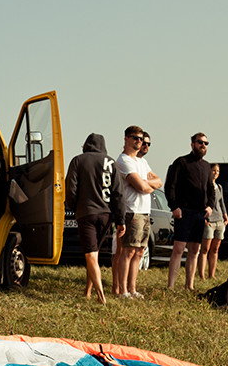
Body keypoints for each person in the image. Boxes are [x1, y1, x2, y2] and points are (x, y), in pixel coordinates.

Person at [65, 134, 125, 304]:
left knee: (90, 255)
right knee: (94, 254)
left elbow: (71, 188)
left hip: (87, 213)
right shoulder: (111, 162)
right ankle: (88, 291)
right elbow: (118, 194)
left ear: (85, 145)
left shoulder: (78, 161)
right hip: (106, 215)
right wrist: (121, 220)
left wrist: (74, 207)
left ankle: (101, 296)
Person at [112, 125, 162, 298]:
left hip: (145, 212)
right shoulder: (124, 160)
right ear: (126, 139)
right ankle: (123, 290)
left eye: (141, 139)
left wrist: (146, 184)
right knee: (128, 251)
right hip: (131, 211)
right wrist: (146, 184)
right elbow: (141, 186)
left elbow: (159, 181)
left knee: (139, 252)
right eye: (136, 138)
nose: (139, 142)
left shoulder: (142, 161)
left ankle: (132, 289)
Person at [164, 132, 215, 290]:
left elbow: (210, 189)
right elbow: (169, 186)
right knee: (179, 248)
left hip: (200, 214)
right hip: (183, 212)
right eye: (200, 142)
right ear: (192, 144)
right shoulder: (181, 162)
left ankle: (189, 285)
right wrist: (174, 206)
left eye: (206, 143)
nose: (203, 145)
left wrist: (210, 206)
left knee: (195, 250)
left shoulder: (207, 166)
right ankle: (171, 286)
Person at [197, 163, 228, 281]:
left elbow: (221, 203)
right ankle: (202, 275)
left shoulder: (219, 187)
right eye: (214, 171)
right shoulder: (204, 186)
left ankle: (212, 274)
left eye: (218, 171)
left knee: (215, 249)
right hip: (209, 221)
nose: (216, 173)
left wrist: (225, 216)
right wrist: (204, 218)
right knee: (205, 249)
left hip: (220, 221)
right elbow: (200, 202)